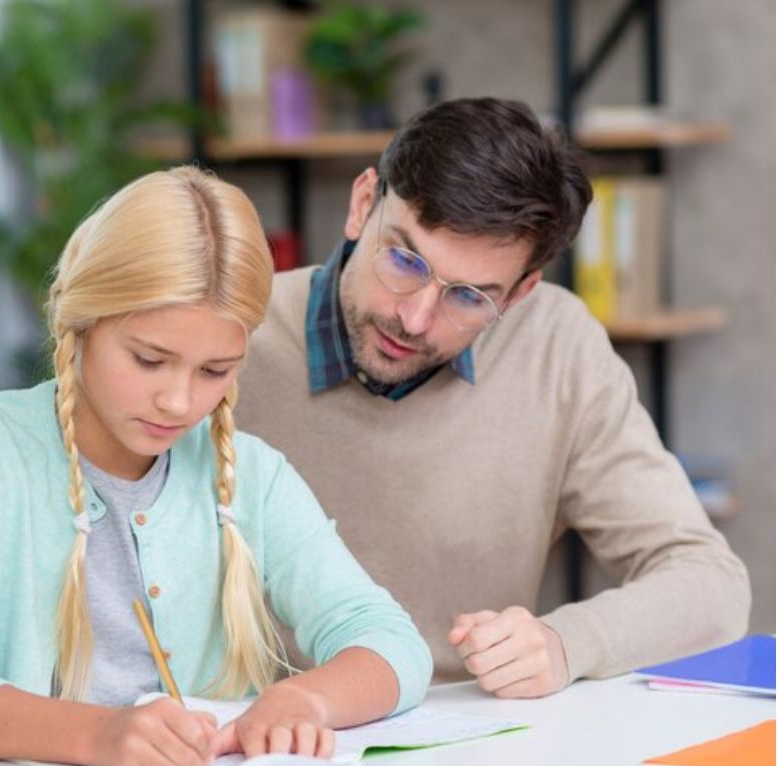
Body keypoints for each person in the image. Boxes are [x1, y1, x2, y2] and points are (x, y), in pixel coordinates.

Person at [0, 167, 431, 766]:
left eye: (215, 371)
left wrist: (303, 698)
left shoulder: (253, 476)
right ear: (79, 319)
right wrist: (100, 735)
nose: (179, 402)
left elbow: (392, 643)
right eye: (149, 359)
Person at [235, 97, 750, 700]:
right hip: (264, 745)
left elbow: (712, 585)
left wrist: (566, 643)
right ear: (361, 204)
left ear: (522, 291)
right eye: (403, 259)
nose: (415, 317)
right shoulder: (231, 339)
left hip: (474, 746)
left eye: (470, 297)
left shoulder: (556, 346)